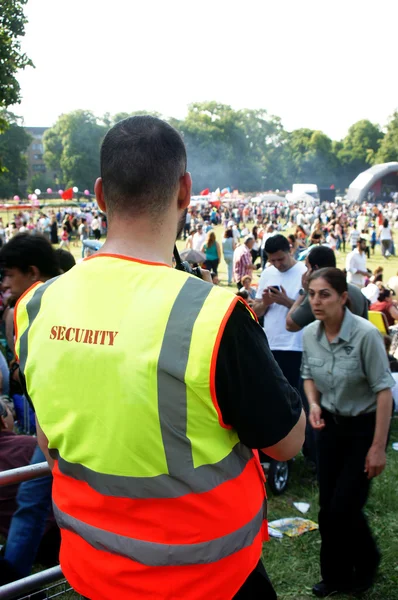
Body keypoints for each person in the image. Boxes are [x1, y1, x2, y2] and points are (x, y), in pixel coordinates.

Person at [14, 116, 305, 600]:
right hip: (209, 580)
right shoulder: (212, 314)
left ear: (101, 195)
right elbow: (287, 444)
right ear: (185, 191)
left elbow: (49, 438)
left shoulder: (37, 305)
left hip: (94, 572)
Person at [301, 268, 394, 598]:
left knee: (345, 506)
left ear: (343, 298)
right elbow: (308, 375)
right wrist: (313, 404)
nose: (316, 301)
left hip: (362, 428)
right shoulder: (310, 334)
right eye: (312, 294)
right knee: (328, 507)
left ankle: (366, 564)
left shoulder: (366, 335)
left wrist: (378, 447)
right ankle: (335, 576)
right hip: (328, 426)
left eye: (324, 294)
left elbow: (384, 392)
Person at [0, 233, 60, 581]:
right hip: (55, 422)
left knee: (31, 498)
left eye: (9, 274)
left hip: (63, 423)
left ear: (32, 271)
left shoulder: (48, 307)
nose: (5, 283)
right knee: (32, 497)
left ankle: (14, 579)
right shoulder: (35, 307)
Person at [253, 234, 307, 389]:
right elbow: (256, 312)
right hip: (270, 345)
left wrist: (285, 301)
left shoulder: (303, 273)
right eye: (272, 260)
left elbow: (309, 313)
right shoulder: (267, 273)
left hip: (296, 346)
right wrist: (265, 303)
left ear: (289, 251)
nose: (277, 264)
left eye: (281, 259)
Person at [286, 245, 368, 333]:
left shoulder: (318, 297)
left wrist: (305, 292)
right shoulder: (357, 292)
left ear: (315, 269)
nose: (305, 273)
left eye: (307, 268)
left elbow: (290, 324)